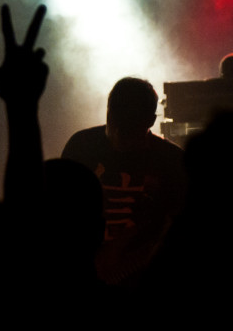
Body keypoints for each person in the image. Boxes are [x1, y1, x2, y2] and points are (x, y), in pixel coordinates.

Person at [61, 77, 187, 287]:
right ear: (108, 110)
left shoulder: (171, 161)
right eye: (116, 120)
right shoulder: (82, 145)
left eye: (130, 124)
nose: (119, 133)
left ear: (150, 121)